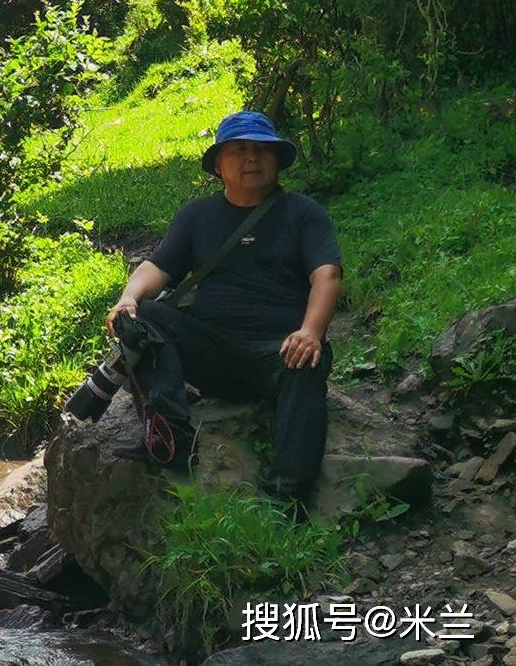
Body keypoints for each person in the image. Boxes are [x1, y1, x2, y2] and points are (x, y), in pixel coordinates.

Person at [98, 110, 342, 505]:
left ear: (277, 160)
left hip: (278, 352)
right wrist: (128, 299)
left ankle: (287, 495)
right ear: (218, 164)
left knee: (310, 360)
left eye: (262, 150)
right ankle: (168, 436)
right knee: (145, 316)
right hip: (211, 352)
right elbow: (158, 267)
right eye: (240, 149)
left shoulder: (305, 214)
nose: (253, 158)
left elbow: (326, 275)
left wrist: (311, 331)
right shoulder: (197, 215)